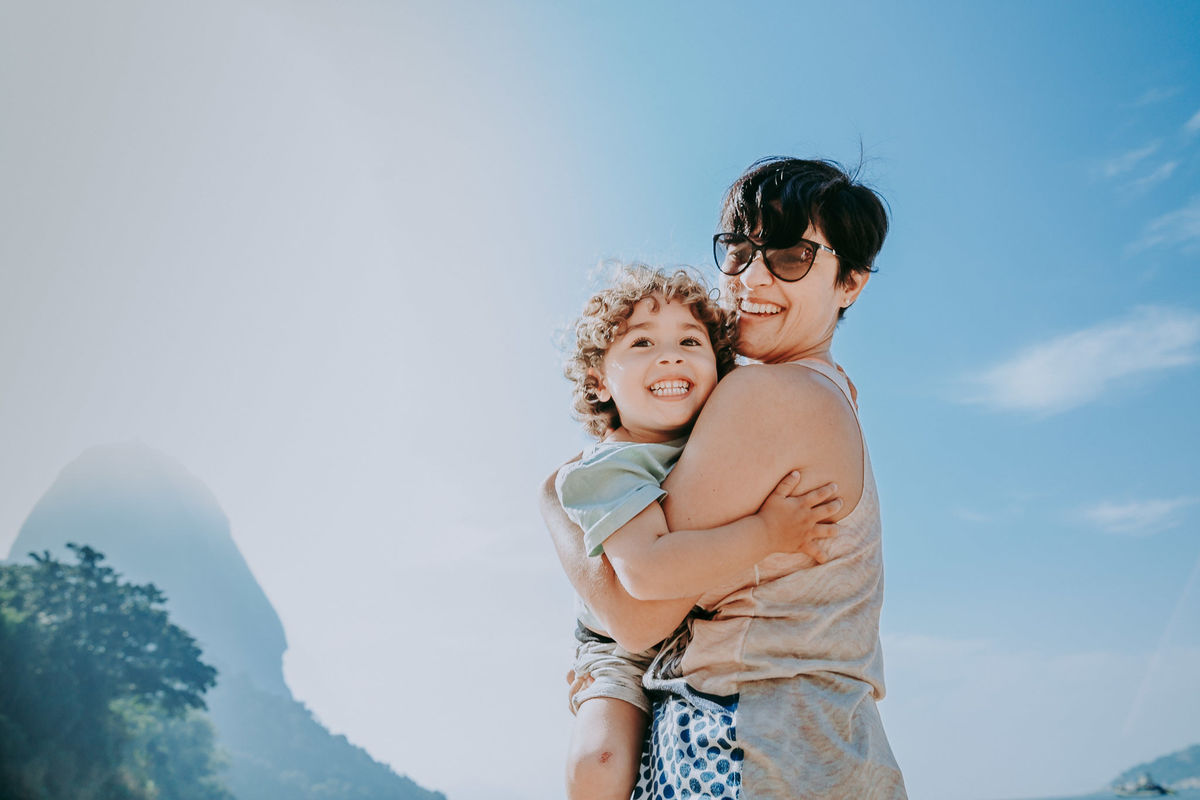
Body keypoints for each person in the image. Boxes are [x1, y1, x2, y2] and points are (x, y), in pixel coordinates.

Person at [542, 158, 907, 799]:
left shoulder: (765, 395)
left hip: (745, 746)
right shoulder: (830, 391)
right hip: (822, 747)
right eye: (740, 251)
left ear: (851, 282)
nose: (751, 278)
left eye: (792, 256)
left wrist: (554, 501)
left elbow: (637, 615)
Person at [555, 265, 844, 800]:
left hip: (686, 638)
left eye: (690, 341)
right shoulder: (609, 466)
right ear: (600, 383)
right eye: (641, 343)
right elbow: (647, 571)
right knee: (597, 761)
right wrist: (768, 532)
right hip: (616, 645)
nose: (670, 355)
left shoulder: (717, 435)